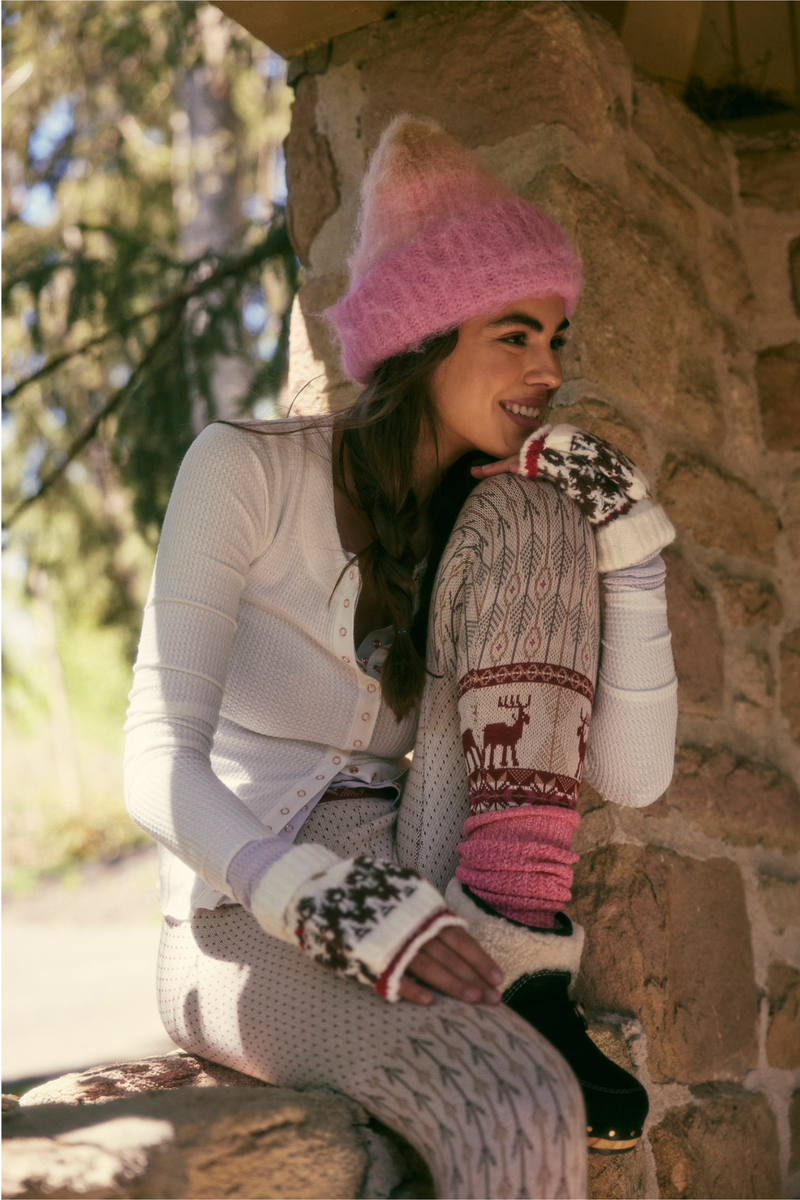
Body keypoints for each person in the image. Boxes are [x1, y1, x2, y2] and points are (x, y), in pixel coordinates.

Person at [124, 116, 677, 1200]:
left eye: (555, 339)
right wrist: (319, 899)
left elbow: (631, 776)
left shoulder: (478, 520)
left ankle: (522, 971)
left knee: (535, 520)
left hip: (427, 878)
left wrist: (630, 555)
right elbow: (152, 764)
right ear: (423, 338)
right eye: (512, 335)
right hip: (244, 905)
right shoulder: (244, 471)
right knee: (506, 1103)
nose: (546, 369)